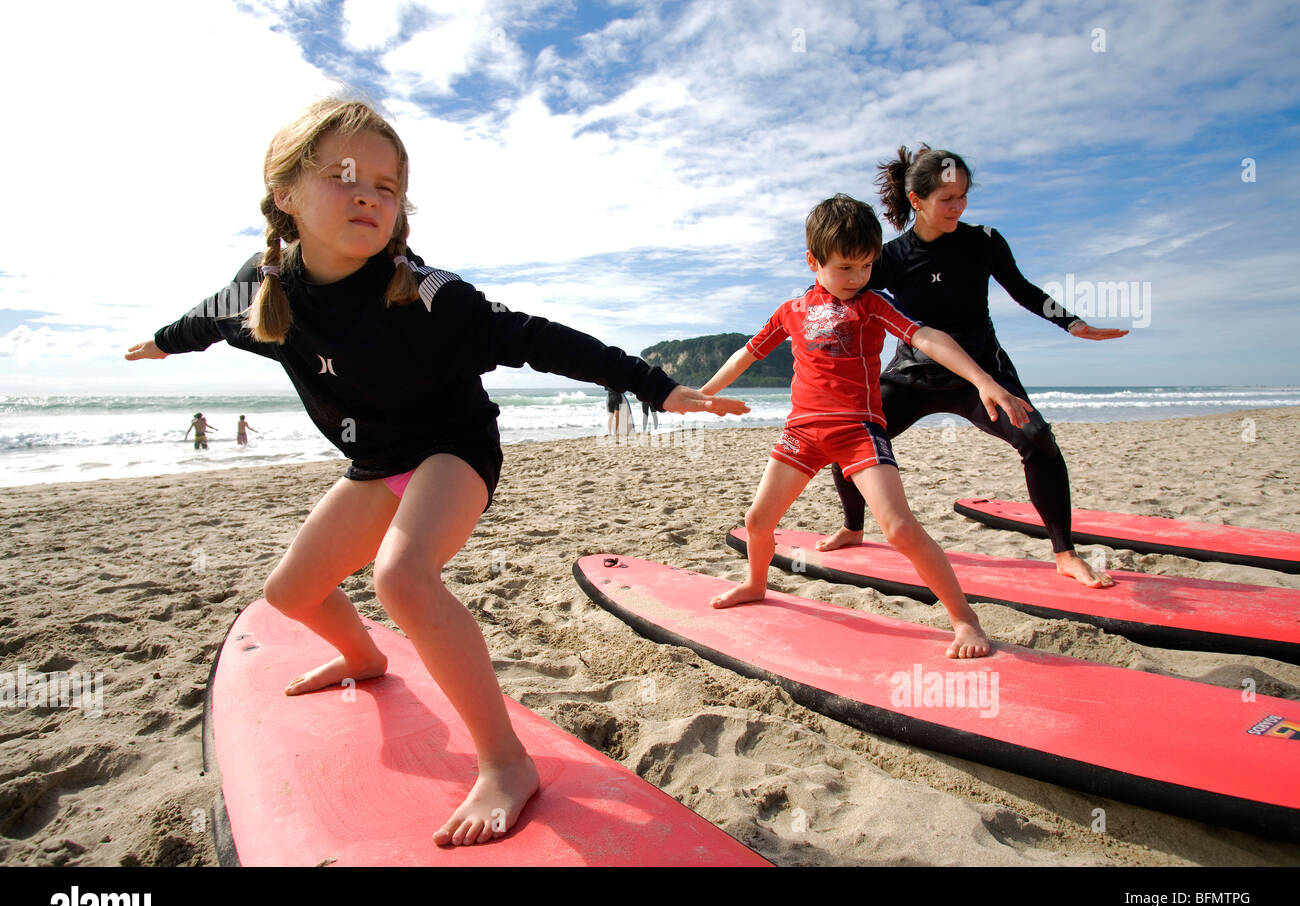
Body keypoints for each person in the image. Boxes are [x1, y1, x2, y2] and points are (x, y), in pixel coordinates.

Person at [124, 98, 748, 848]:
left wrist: (655, 386)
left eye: (388, 187)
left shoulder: (427, 295)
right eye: (344, 176)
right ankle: (363, 655)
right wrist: (163, 342)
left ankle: (507, 763)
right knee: (290, 592)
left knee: (401, 577)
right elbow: (208, 319)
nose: (368, 195)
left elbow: (536, 339)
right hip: (376, 463)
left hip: (454, 449)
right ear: (285, 194)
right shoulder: (267, 290)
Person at [699, 194, 1032, 659]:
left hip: (858, 430)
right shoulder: (790, 310)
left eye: (866, 267)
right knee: (758, 521)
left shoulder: (873, 304)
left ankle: (964, 618)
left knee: (897, 528)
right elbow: (748, 354)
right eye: (845, 268)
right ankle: (756, 583)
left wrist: (982, 379)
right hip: (803, 432)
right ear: (813, 261)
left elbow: (927, 337)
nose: (857, 279)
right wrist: (705, 393)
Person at [820, 146, 1127, 588]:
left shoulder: (983, 241)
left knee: (1037, 439)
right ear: (917, 201)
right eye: (947, 199)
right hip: (914, 374)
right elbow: (845, 290)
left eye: (963, 196)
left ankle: (1064, 553)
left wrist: (1072, 323)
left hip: (981, 375)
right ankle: (853, 527)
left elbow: (1021, 288)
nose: (958, 207)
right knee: (850, 433)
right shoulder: (891, 257)